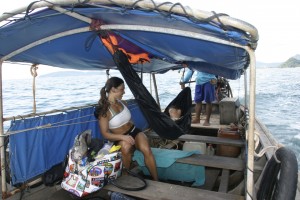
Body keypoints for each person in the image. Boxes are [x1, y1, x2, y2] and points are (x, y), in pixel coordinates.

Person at [96, 77, 158, 181]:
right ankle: (126, 176)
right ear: (113, 90)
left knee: (147, 150)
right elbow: (105, 133)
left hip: (134, 131)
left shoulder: (123, 103)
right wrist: (123, 137)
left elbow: (130, 120)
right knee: (125, 148)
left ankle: (157, 180)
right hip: (119, 137)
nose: (124, 92)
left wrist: (134, 133)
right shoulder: (104, 110)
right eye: (122, 89)